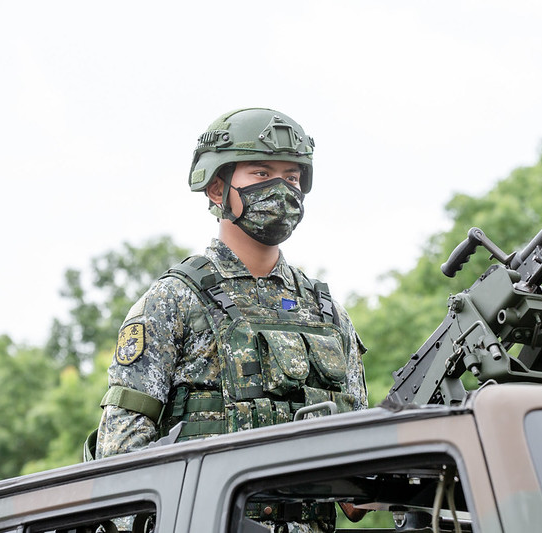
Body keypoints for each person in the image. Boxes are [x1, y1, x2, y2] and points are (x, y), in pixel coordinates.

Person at [93, 108, 368, 532]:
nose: (281, 189)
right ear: (216, 185)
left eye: (293, 177)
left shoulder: (326, 312)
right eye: (261, 173)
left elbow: (361, 478)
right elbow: (120, 460)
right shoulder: (174, 300)